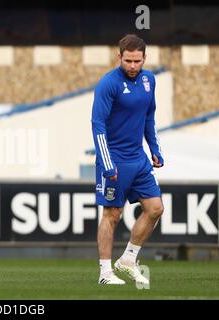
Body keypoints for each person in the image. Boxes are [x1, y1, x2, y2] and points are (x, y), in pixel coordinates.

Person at [91, 34, 164, 285]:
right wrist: (106, 161)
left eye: (137, 61)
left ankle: (128, 260)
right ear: (119, 57)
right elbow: (97, 124)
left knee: (155, 208)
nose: (132, 66)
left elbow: (149, 116)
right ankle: (104, 273)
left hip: (139, 158)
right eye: (128, 61)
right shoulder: (108, 84)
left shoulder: (149, 80)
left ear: (145, 58)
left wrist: (154, 148)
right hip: (114, 159)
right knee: (112, 214)